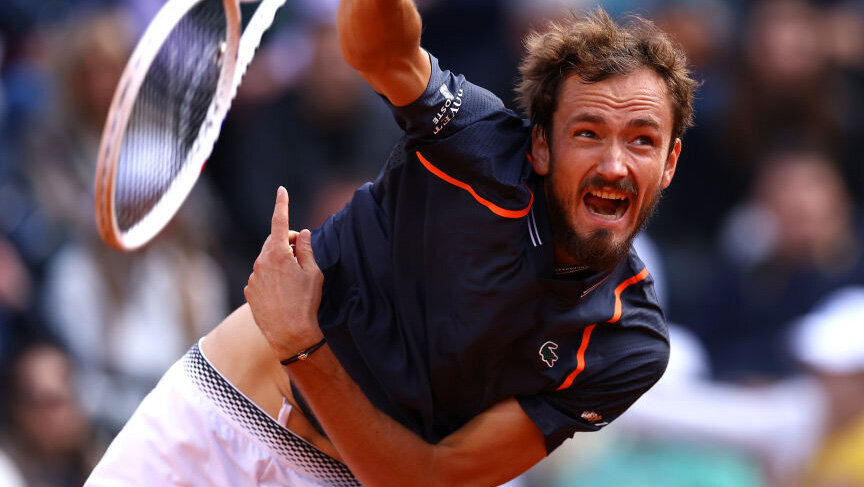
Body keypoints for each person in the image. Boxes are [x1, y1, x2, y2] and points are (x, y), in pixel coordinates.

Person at [86, 3, 697, 486]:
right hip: (212, 424)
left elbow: (430, 482)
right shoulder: (477, 143)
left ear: (669, 162)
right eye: (587, 133)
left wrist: (304, 346)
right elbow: (382, 48)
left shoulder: (626, 342)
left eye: (642, 140)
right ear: (540, 147)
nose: (615, 163)